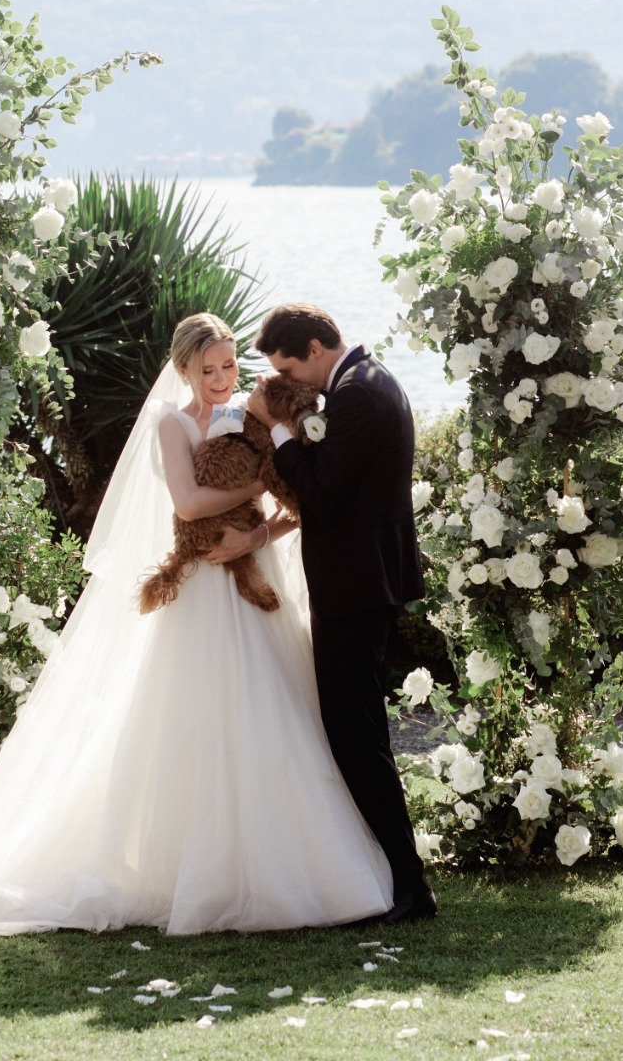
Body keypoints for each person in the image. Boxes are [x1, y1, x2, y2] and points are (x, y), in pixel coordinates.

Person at [0, 313, 393, 938]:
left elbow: (305, 499)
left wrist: (257, 531)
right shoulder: (172, 425)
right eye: (206, 370)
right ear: (183, 370)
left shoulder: (259, 412)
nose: (220, 379)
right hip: (201, 589)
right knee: (195, 718)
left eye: (229, 366)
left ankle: (295, 861)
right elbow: (186, 503)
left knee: (280, 710)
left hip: (255, 573)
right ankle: (194, 868)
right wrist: (251, 496)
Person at [248, 303, 436, 924]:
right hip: (365, 583)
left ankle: (409, 887)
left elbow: (321, 495)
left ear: (313, 347)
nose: (287, 385)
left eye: (288, 370)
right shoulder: (368, 381)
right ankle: (393, 876)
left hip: (356, 589)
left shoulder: (357, 395)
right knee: (361, 732)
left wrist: (276, 429)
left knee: (354, 735)